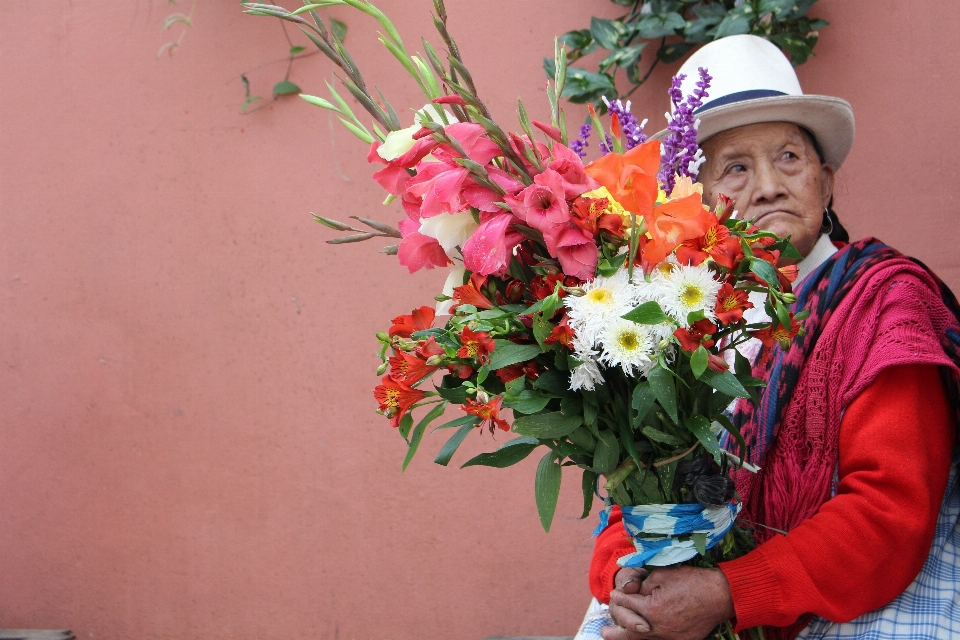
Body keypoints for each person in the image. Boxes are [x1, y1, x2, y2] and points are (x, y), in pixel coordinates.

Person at [580, 35, 960, 640]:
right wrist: (625, 585)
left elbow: (889, 514)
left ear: (827, 181)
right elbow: (634, 488)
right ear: (696, 202)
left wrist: (730, 593)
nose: (768, 186)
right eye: (735, 167)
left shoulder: (887, 303)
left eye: (789, 158)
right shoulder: (681, 323)